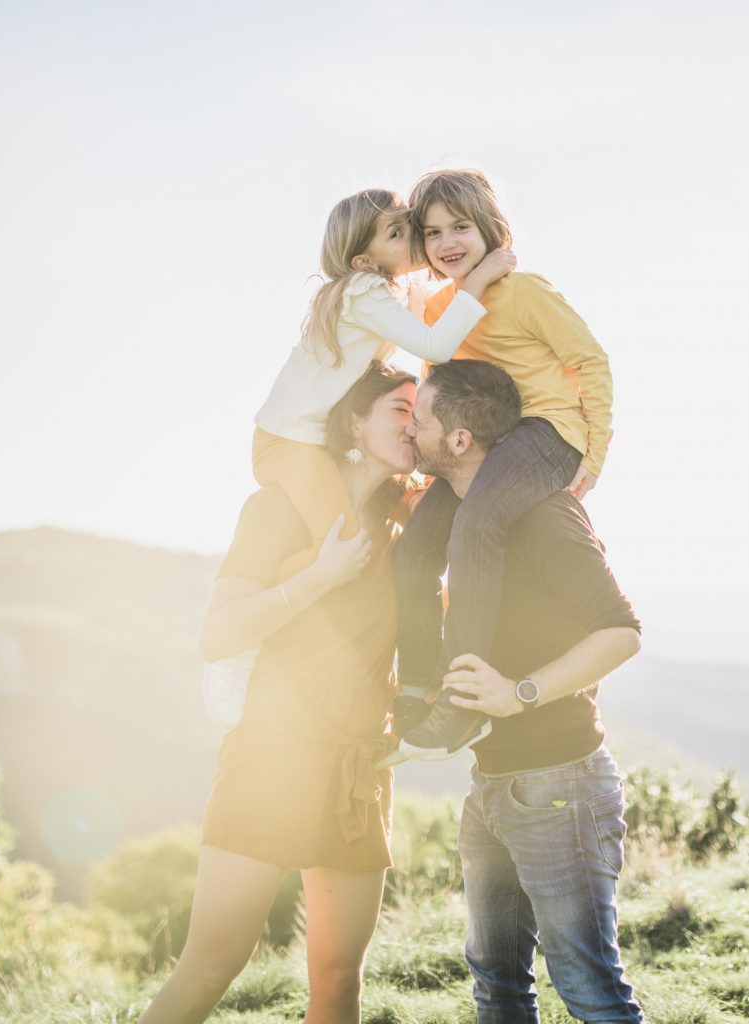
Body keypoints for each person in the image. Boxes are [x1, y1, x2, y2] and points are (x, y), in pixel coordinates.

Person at [138, 362, 418, 1024]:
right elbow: (218, 634)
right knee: (211, 964)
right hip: (271, 759)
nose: (415, 426)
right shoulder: (277, 509)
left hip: (360, 769)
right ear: (354, 421)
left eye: (421, 413)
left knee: (337, 976)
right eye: (399, 412)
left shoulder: (406, 523)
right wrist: (320, 577)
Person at [395, 359, 644, 1023]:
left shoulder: (543, 516)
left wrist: (519, 692)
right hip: (492, 785)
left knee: (590, 989)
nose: (407, 434)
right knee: (497, 985)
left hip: (559, 788)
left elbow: (620, 633)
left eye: (417, 420)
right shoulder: (460, 520)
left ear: (457, 440)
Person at [393, 168, 614, 759]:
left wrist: (595, 450)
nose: (448, 243)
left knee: (477, 526)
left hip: (545, 430)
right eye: (433, 232)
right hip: (488, 447)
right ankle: (417, 685)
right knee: (414, 549)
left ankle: (462, 705)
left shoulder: (527, 291)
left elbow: (590, 361)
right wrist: (428, 467)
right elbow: (433, 384)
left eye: (460, 226)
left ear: (489, 226)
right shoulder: (445, 307)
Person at [254, 187, 515, 578]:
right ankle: (259, 590)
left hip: (321, 441)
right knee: (343, 547)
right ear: (363, 260)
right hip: (289, 443)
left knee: (397, 516)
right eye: (394, 234)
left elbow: (446, 306)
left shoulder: (397, 289)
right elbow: (438, 344)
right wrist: (481, 276)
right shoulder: (363, 291)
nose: (410, 237)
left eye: (409, 226)